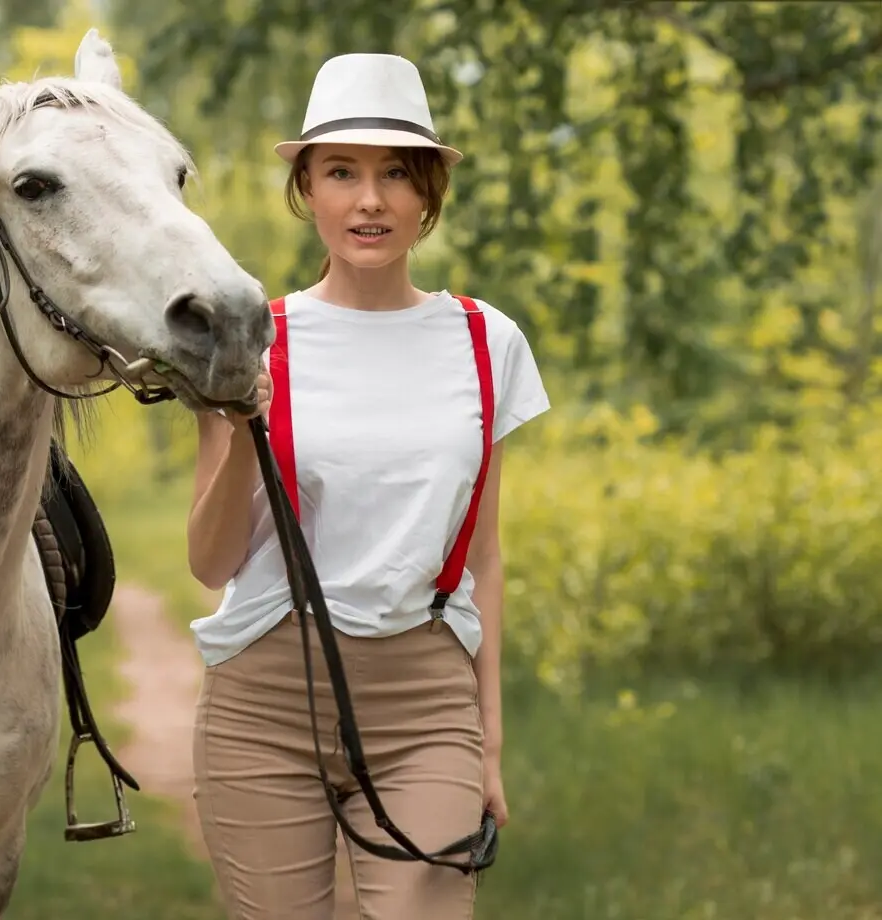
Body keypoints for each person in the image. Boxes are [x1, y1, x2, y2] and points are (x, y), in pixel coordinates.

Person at [185, 52, 550, 919]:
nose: (370, 200)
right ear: (307, 187)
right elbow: (211, 562)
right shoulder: (250, 338)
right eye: (341, 172)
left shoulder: (483, 340)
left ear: (428, 193)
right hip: (265, 700)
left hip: (428, 704)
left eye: (395, 174)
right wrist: (245, 422)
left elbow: (486, 559)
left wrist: (488, 743)